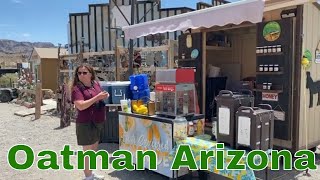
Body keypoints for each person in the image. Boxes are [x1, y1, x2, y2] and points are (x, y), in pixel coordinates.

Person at [71, 64, 109, 180]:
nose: (81, 75)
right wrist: (97, 98)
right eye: (79, 73)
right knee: (87, 152)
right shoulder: (76, 89)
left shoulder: (96, 84)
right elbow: (81, 106)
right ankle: (87, 177)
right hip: (85, 123)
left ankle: (91, 174)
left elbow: (102, 94)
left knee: (93, 149)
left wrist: (105, 95)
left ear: (91, 74)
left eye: (84, 72)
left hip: (97, 120)